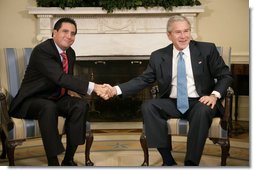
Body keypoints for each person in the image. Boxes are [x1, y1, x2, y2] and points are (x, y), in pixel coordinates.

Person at [102, 15, 233, 166]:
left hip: (201, 101)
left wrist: (214, 96)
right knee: (148, 106)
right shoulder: (158, 56)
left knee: (202, 110)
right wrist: (115, 90)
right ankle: (168, 160)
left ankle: (191, 163)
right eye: (178, 32)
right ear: (169, 35)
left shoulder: (207, 49)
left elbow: (225, 76)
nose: (183, 36)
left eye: (186, 31)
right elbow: (143, 80)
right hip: (172, 102)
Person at [8, 17, 110, 166]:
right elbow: (59, 77)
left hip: (55, 97)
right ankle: (53, 162)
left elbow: (66, 79)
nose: (69, 36)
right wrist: (94, 87)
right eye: (65, 31)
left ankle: (68, 159)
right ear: (54, 33)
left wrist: (72, 91)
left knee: (80, 105)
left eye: (73, 33)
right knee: (48, 107)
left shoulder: (70, 53)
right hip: (31, 100)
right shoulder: (42, 50)